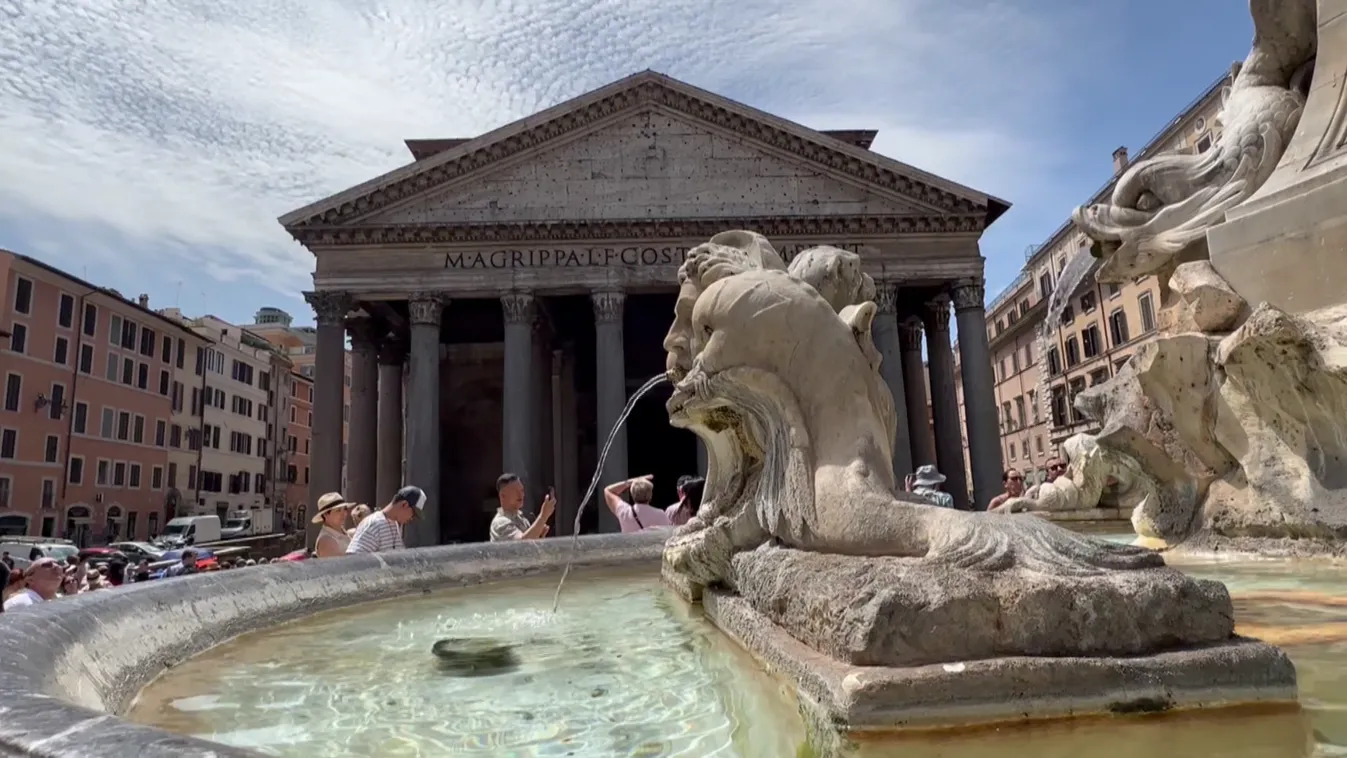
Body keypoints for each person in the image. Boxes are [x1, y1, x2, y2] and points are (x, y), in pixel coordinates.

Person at [346, 485, 427, 554]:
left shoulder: (394, 524)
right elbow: (354, 558)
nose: (412, 518)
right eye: (413, 514)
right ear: (404, 504)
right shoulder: (374, 524)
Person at [489, 473, 555, 541]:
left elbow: (529, 543)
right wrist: (543, 516)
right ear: (503, 496)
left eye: (522, 490)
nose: (521, 494)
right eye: (515, 491)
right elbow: (521, 544)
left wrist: (539, 534)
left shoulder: (522, 518)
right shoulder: (500, 522)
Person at [604, 475, 672, 532]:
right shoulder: (661, 515)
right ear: (651, 495)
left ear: (632, 493)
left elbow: (608, 491)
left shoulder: (624, 511)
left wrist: (631, 481)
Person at [311, 492, 352, 558]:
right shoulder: (326, 540)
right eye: (338, 510)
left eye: (345, 509)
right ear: (325, 514)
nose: (344, 513)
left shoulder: (343, 531)